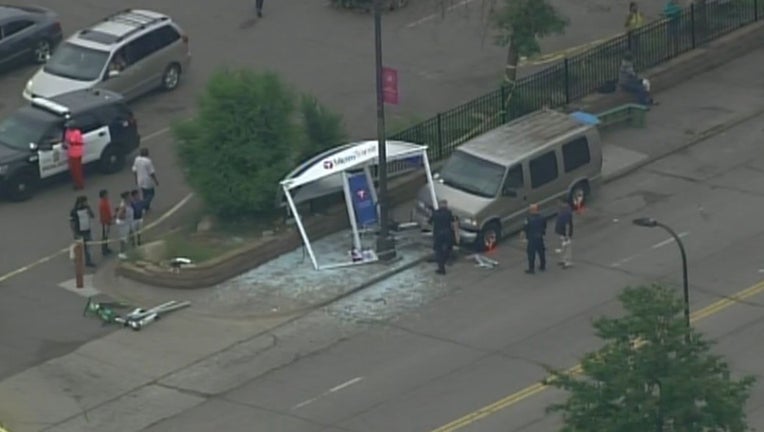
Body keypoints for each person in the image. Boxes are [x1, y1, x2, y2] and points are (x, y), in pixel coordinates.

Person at [429, 199, 456, 275]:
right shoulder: (449, 213)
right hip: (447, 234)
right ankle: (448, 260)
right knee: (448, 248)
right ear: (446, 205)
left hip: (438, 234)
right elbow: (453, 221)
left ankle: (441, 268)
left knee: (439, 251)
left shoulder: (435, 213)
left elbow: (430, 222)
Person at [69, 195, 96, 268]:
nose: (86, 203)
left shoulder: (87, 208)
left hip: (87, 230)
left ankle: (88, 261)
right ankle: (78, 261)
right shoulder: (74, 211)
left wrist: (89, 209)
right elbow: (72, 223)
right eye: (85, 202)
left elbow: (93, 216)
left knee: (88, 247)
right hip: (79, 232)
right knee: (79, 248)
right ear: (81, 202)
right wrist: (74, 232)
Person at [132, 148, 159, 212]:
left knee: (144, 194)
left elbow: (134, 170)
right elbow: (151, 172)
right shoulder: (148, 161)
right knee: (151, 194)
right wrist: (156, 180)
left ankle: (147, 207)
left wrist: (136, 179)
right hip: (147, 181)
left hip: (140, 180)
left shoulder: (137, 159)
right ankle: (143, 205)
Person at [523, 203, 547, 274]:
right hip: (540, 237)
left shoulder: (528, 219)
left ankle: (531, 268)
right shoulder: (542, 217)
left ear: (532, 210)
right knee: (541, 252)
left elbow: (525, 228)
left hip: (532, 238)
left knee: (531, 253)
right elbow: (544, 226)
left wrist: (526, 235)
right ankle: (543, 265)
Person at [554, 199, 574, 269]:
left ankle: (568, 262)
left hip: (565, 234)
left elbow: (567, 225)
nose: (558, 205)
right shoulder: (562, 210)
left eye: (559, 203)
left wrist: (567, 235)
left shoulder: (566, 212)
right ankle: (563, 260)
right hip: (561, 232)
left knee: (567, 248)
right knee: (562, 247)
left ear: (564, 203)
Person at [115, 191, 134, 260]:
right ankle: (122, 253)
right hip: (124, 225)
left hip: (128, 223)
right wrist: (125, 217)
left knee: (131, 236)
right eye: (129, 196)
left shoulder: (128, 203)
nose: (131, 197)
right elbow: (119, 215)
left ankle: (130, 249)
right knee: (123, 239)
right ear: (126, 197)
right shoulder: (123, 205)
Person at [65, 123, 85, 190]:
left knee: (77, 170)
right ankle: (76, 183)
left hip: (76, 153)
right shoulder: (68, 131)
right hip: (71, 153)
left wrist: (68, 144)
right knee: (73, 170)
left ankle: (79, 184)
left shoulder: (77, 133)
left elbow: (73, 141)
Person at [98, 189, 113, 256]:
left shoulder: (105, 201)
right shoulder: (103, 204)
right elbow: (104, 214)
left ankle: (106, 248)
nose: (107, 195)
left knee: (106, 236)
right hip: (105, 222)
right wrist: (108, 221)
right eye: (106, 194)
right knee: (105, 236)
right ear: (103, 195)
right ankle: (104, 250)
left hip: (107, 221)